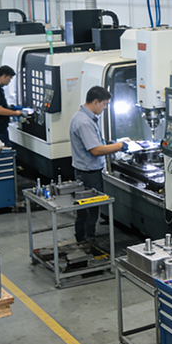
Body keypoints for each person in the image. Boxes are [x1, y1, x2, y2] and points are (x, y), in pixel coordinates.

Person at [69, 86, 129, 246]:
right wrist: (119, 146)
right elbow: (95, 150)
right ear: (96, 102)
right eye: (104, 104)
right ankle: (86, 239)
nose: (105, 108)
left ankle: (83, 236)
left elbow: (96, 143)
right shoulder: (84, 122)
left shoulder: (80, 117)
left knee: (84, 208)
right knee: (91, 209)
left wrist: (113, 143)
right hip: (89, 174)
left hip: (84, 171)